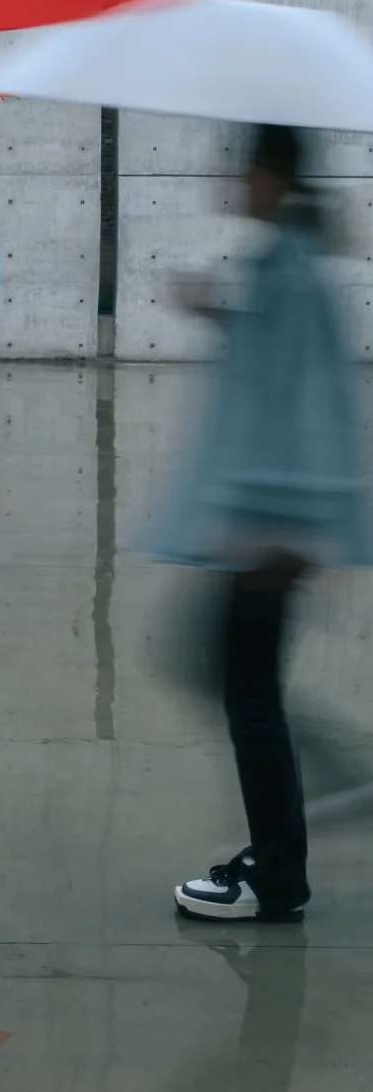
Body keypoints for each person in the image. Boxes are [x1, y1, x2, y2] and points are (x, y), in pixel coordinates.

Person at [145, 124, 369, 923]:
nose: (235, 180)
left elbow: (310, 406)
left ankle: (280, 871)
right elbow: (277, 373)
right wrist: (222, 313)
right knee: (238, 682)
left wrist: (281, 528)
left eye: (245, 167)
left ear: (274, 176)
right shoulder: (284, 265)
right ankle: (292, 840)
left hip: (268, 531)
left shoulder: (293, 272)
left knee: (245, 691)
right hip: (264, 524)